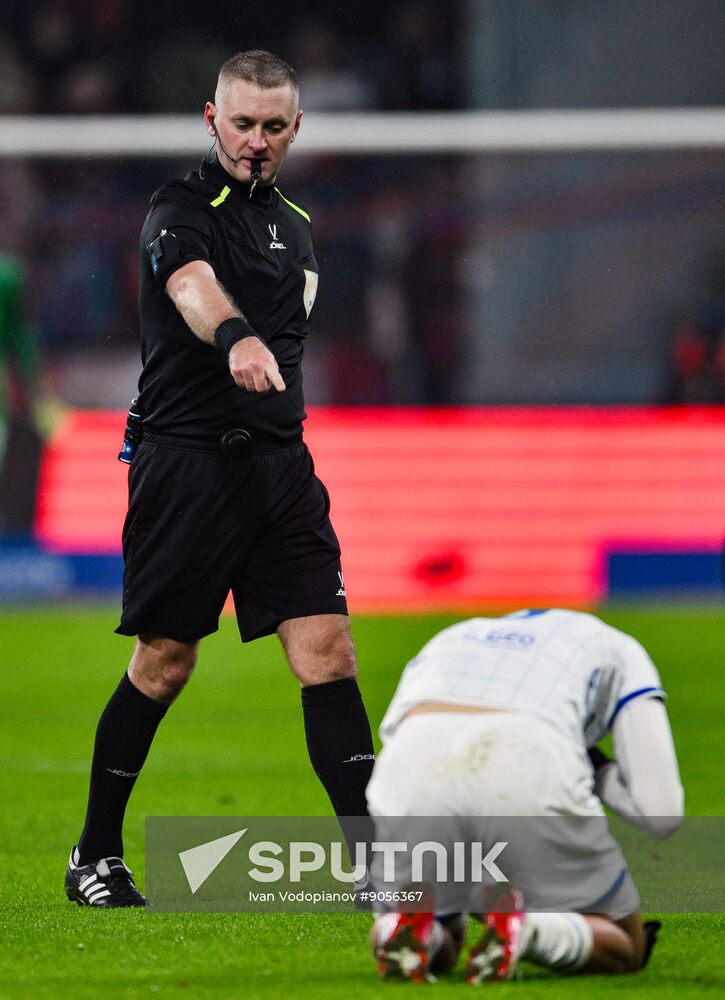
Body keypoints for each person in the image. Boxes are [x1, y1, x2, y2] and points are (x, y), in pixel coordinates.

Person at [65, 50, 375, 908]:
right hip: (187, 466)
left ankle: (375, 864)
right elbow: (191, 286)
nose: (256, 142)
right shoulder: (177, 210)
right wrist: (234, 335)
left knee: (329, 653)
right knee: (164, 662)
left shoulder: (300, 225)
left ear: (295, 130)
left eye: (274, 127)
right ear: (212, 120)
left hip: (280, 470)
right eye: (242, 124)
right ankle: (95, 854)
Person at [366, 608, 684, 982]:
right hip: (525, 749)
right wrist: (596, 768)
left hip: (411, 757)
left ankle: (399, 930)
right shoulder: (621, 648)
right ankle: (529, 929)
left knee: (443, 932)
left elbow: (397, 733)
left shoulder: (455, 635)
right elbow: (661, 813)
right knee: (626, 943)